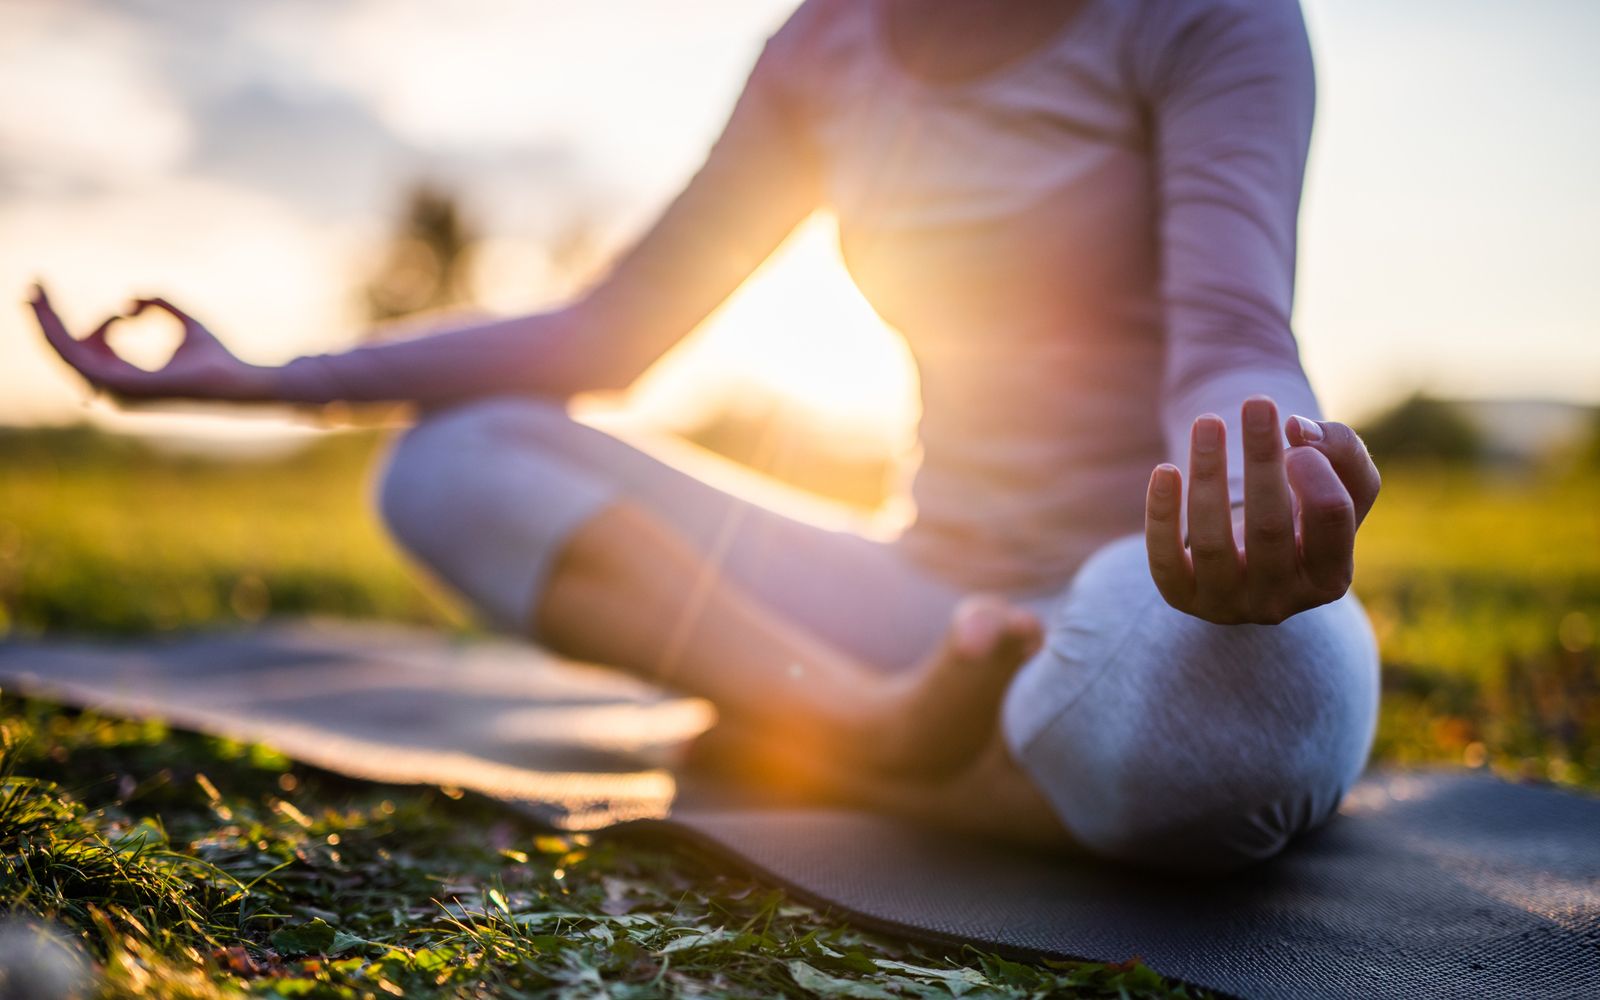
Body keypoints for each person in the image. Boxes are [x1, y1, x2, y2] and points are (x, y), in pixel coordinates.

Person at [29, 0, 1382, 872]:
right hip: (917, 605)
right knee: (451, 460)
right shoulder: (825, 51)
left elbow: (1230, 340)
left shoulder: (1210, 19)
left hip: (1142, 599)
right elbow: (607, 336)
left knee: (1242, 723)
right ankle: (871, 731)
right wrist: (258, 378)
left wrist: (1255, 487)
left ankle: (845, 738)